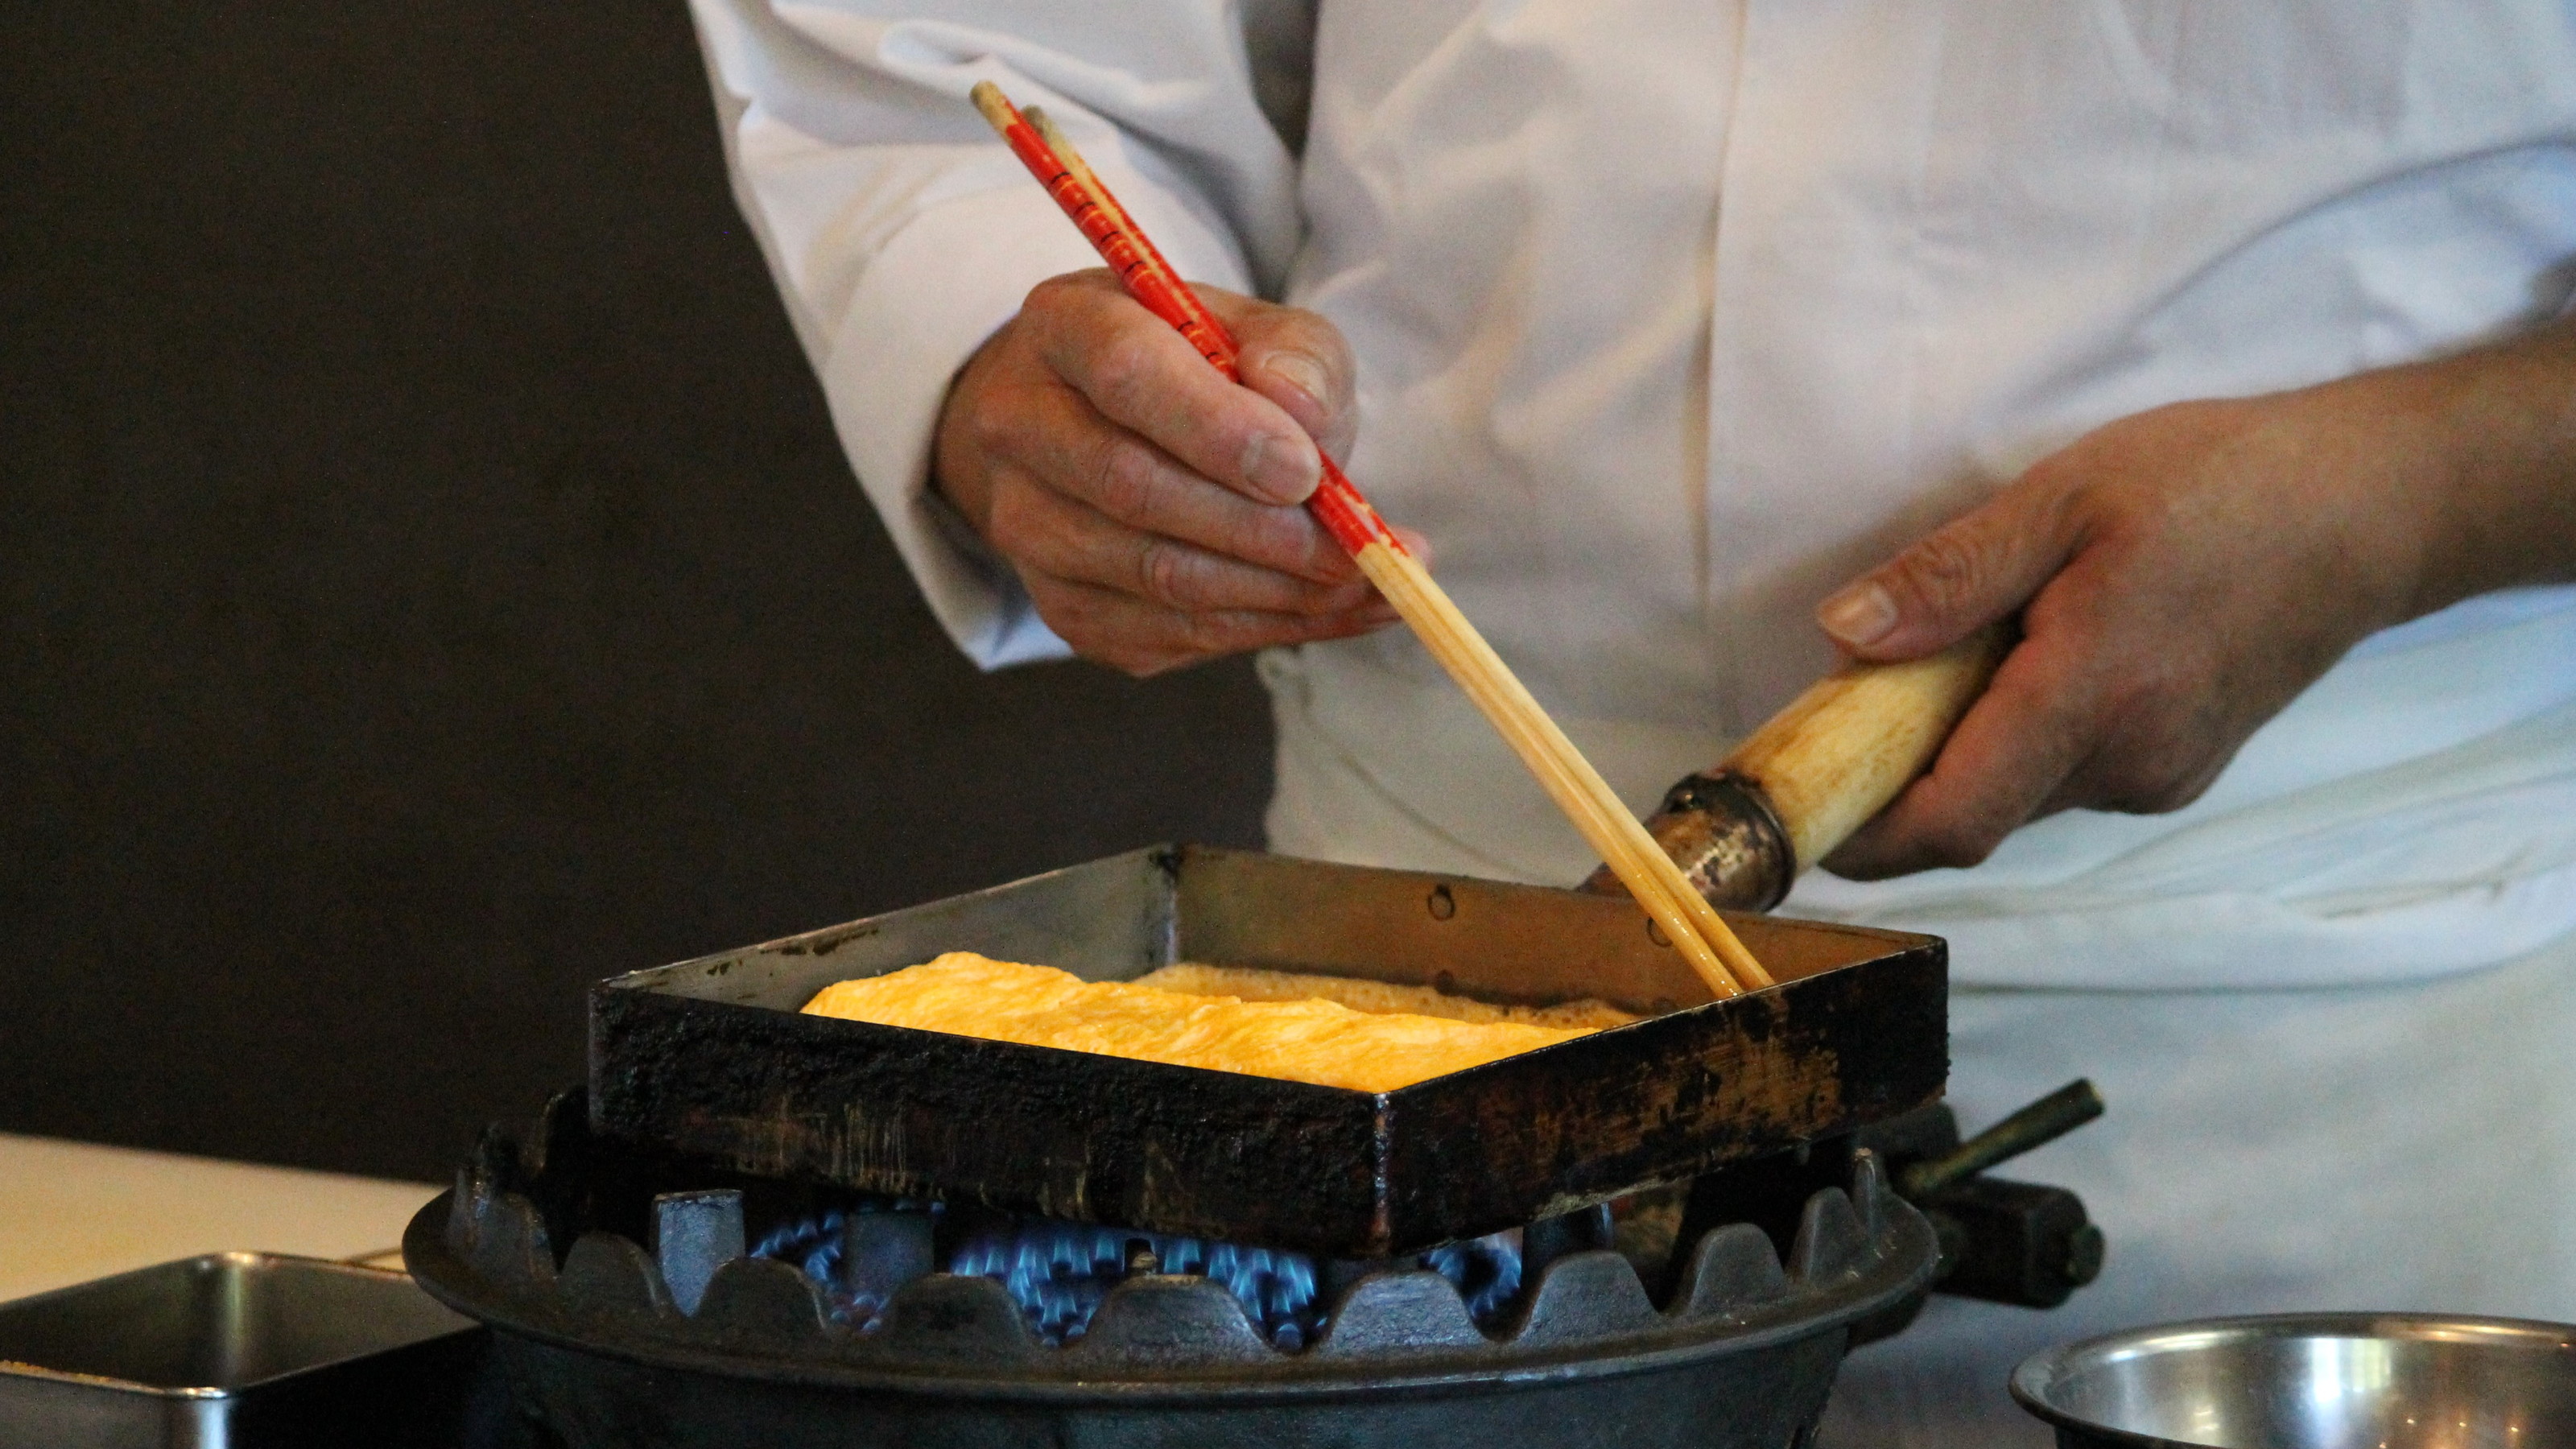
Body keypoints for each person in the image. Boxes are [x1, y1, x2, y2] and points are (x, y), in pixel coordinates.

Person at [683, 2, 2576, 1440]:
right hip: (1398, 1008)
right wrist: (1010, 350)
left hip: (2336, 1026)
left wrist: (2416, 488)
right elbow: (964, 50)